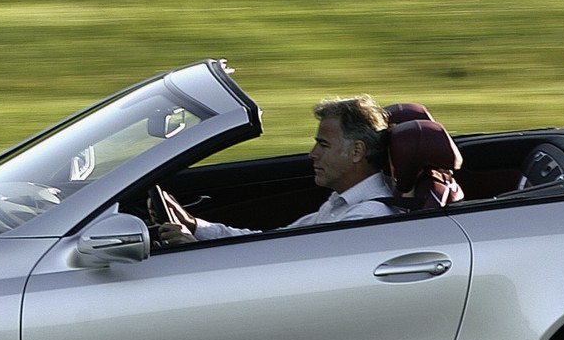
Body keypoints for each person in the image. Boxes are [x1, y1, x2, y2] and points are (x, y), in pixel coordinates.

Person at [150, 95, 395, 244]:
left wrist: (193, 249)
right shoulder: (341, 203)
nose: (313, 153)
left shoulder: (364, 219)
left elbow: (291, 271)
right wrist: (194, 226)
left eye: (323, 144)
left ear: (356, 152)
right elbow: (269, 243)